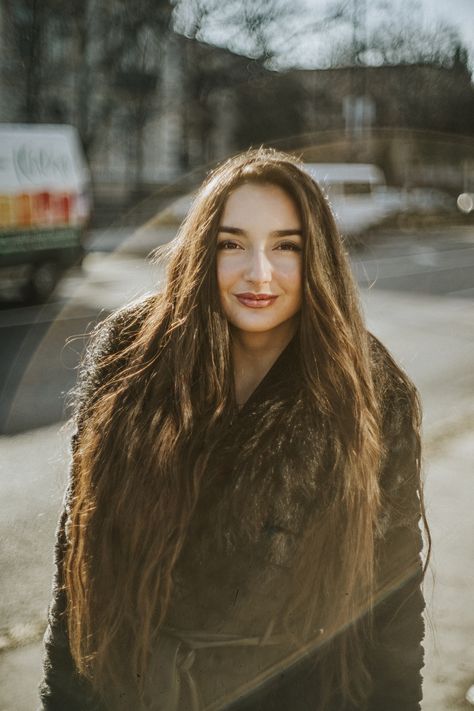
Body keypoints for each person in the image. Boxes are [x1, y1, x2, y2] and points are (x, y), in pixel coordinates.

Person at [39, 148, 428, 711]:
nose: (259, 273)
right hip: (136, 689)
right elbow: (76, 561)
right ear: (203, 250)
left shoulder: (368, 386)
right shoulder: (132, 352)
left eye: (286, 246)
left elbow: (394, 598)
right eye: (233, 243)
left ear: (317, 256)